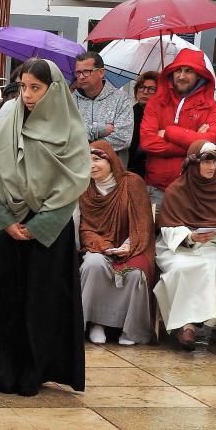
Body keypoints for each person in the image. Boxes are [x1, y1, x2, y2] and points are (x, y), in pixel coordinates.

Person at [0, 58, 90, 397]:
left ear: (51, 90)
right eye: (23, 86)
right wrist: (6, 221)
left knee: (41, 303)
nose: (27, 94)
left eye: (35, 88)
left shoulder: (70, 127)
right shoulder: (8, 116)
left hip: (48, 232)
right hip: (8, 226)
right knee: (5, 303)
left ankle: (34, 372)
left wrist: (40, 224)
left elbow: (73, 182)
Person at [154, 140, 216, 350]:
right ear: (194, 163)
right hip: (179, 245)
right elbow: (167, 227)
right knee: (179, 269)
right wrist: (191, 237)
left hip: (215, 246)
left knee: (213, 268)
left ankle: (188, 327)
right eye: (207, 162)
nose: (212, 167)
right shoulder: (177, 189)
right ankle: (189, 326)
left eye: (215, 162)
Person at [79, 140, 156, 346]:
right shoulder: (84, 189)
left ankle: (130, 329)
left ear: (111, 160)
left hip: (134, 245)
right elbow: (85, 228)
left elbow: (143, 222)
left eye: (96, 160)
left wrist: (129, 245)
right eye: (86, 161)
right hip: (99, 247)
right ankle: (96, 323)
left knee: (135, 274)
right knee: (93, 265)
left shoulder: (132, 183)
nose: (91, 166)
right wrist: (103, 246)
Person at [140, 49, 216, 207]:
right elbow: (147, 142)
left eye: (189, 71)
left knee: (189, 233)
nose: (181, 76)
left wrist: (169, 132)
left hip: (193, 190)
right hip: (156, 189)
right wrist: (194, 142)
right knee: (151, 231)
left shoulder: (211, 106)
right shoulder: (155, 103)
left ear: (200, 75)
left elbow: (209, 144)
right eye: (178, 70)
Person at [72, 52, 133, 165]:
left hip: (112, 173)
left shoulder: (121, 99)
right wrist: (99, 130)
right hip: (78, 171)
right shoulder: (70, 101)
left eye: (86, 71)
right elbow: (67, 135)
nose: (81, 76)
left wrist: (87, 148)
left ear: (101, 72)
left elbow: (123, 138)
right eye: (78, 72)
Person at [127, 70, 158, 178]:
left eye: (151, 89)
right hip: (129, 170)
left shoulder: (162, 117)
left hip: (152, 172)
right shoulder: (128, 113)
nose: (145, 92)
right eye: (141, 87)